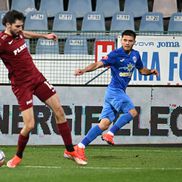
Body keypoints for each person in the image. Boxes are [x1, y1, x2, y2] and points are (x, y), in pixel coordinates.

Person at [0, 10, 87, 168]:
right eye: (17, 26)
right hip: (21, 86)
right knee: (30, 125)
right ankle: (18, 156)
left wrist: (44, 36)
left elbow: (26, 34)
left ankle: (70, 150)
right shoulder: (2, 42)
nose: (20, 29)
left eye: (21, 26)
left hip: (37, 78)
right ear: (8, 25)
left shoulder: (18, 33)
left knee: (59, 110)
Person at [74, 30, 159, 161]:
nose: (127, 43)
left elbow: (142, 70)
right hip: (115, 91)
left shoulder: (136, 55)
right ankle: (110, 134)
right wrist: (84, 70)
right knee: (132, 112)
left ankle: (79, 147)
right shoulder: (115, 55)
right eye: (125, 40)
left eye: (130, 41)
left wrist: (150, 71)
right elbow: (98, 64)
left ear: (134, 42)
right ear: (121, 41)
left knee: (104, 124)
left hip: (116, 92)